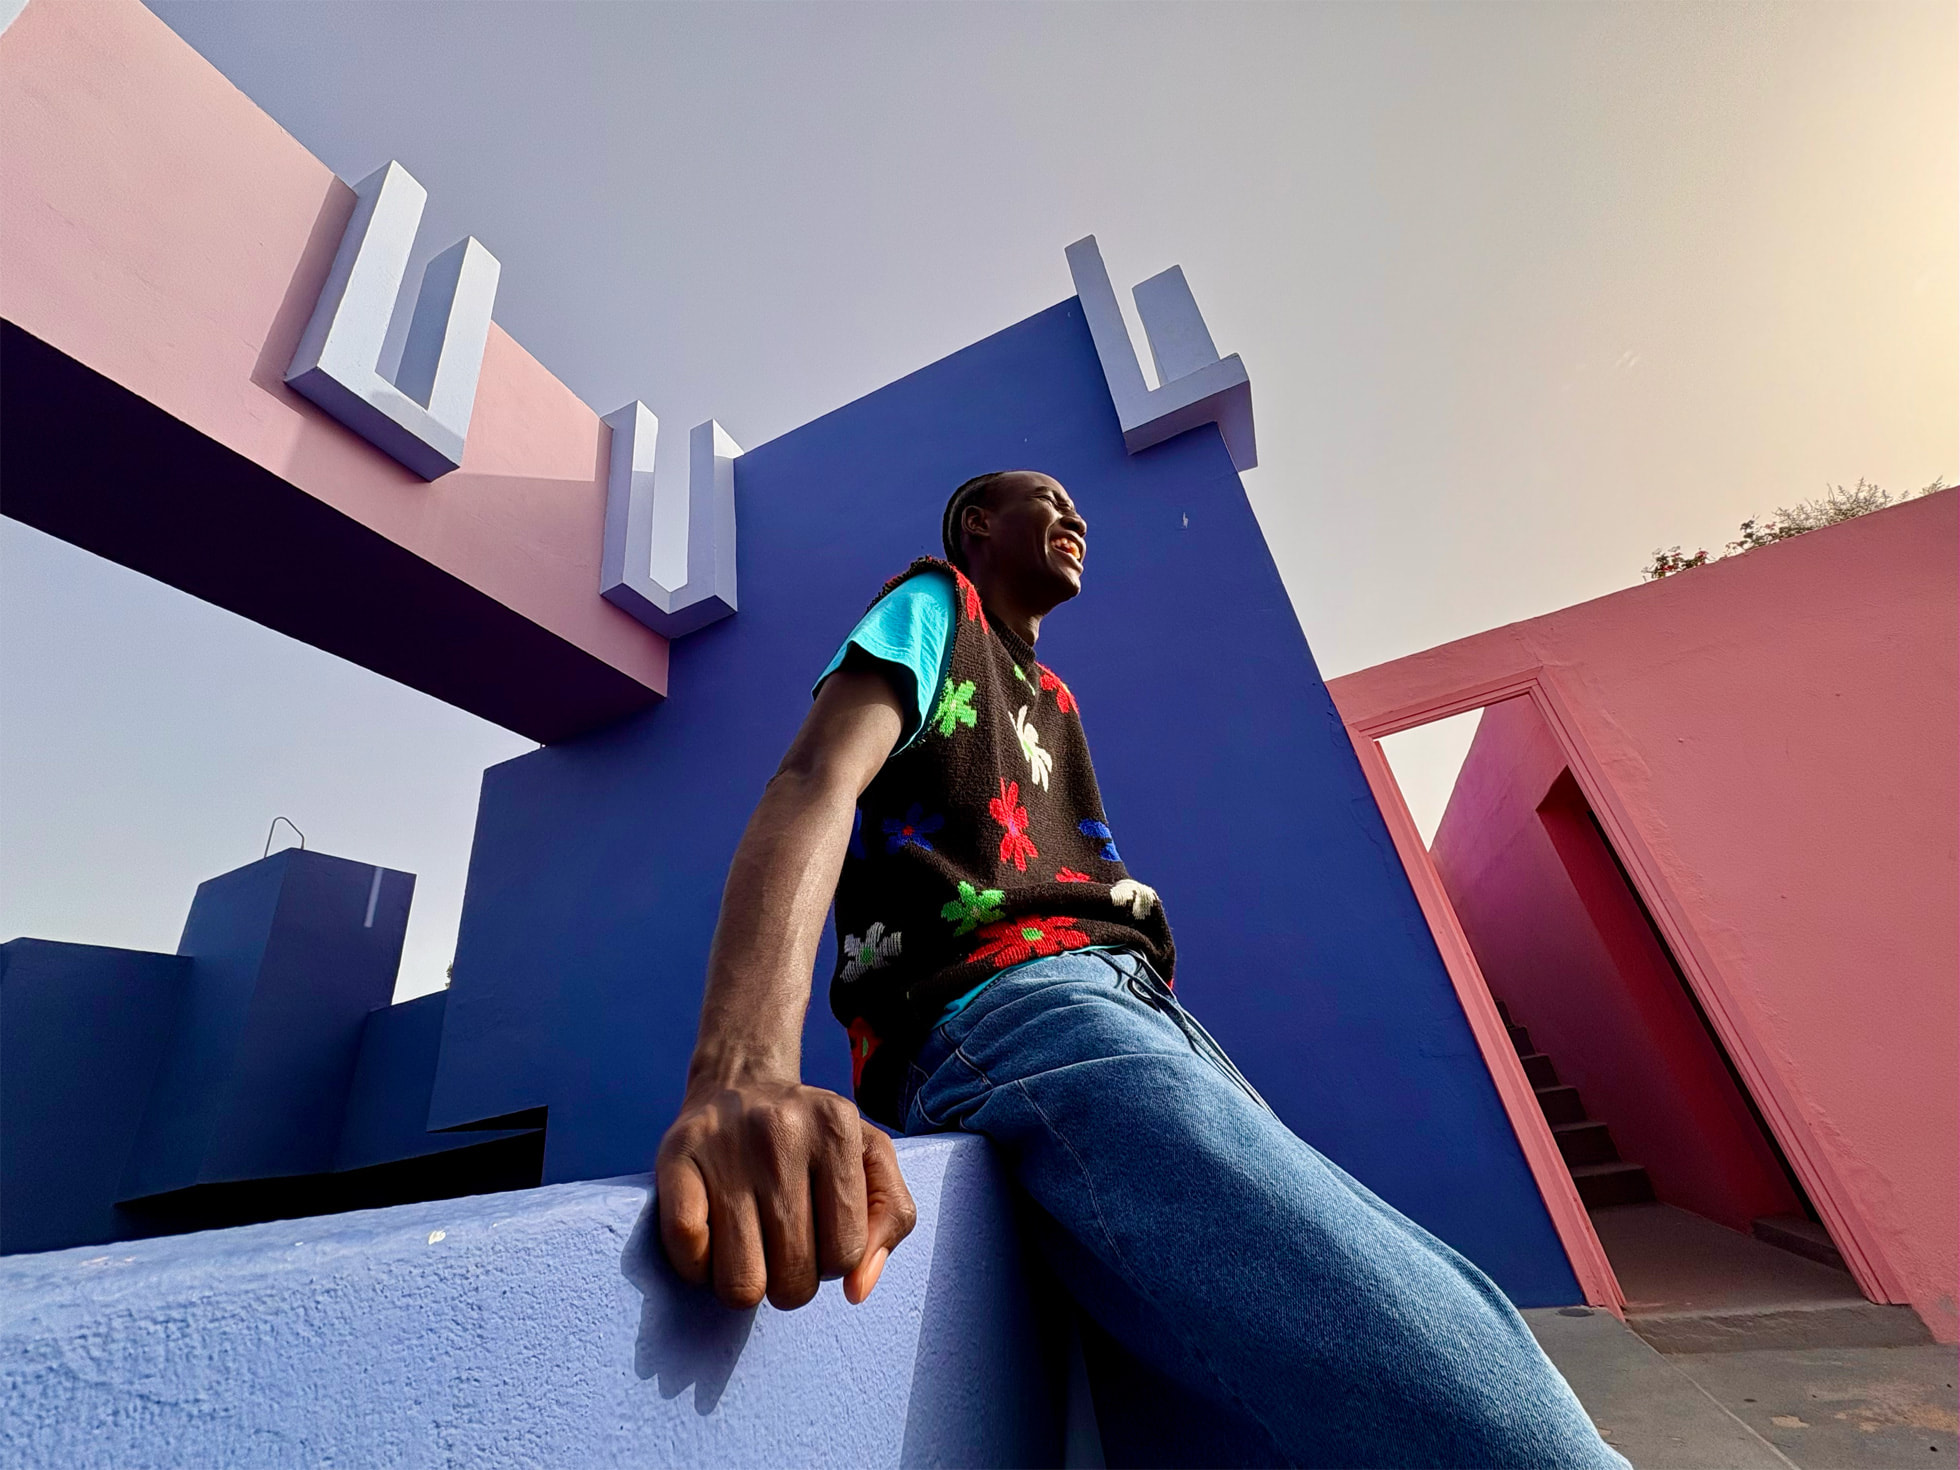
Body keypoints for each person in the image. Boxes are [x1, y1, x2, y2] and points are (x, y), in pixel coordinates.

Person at [654, 470, 1628, 1467]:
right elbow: (813, 778)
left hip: (1141, 1010)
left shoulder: (1054, 696)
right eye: (1046, 499)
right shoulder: (931, 604)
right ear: (980, 525)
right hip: (1019, 1008)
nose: (1076, 518)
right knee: (1488, 1414)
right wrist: (742, 1073)